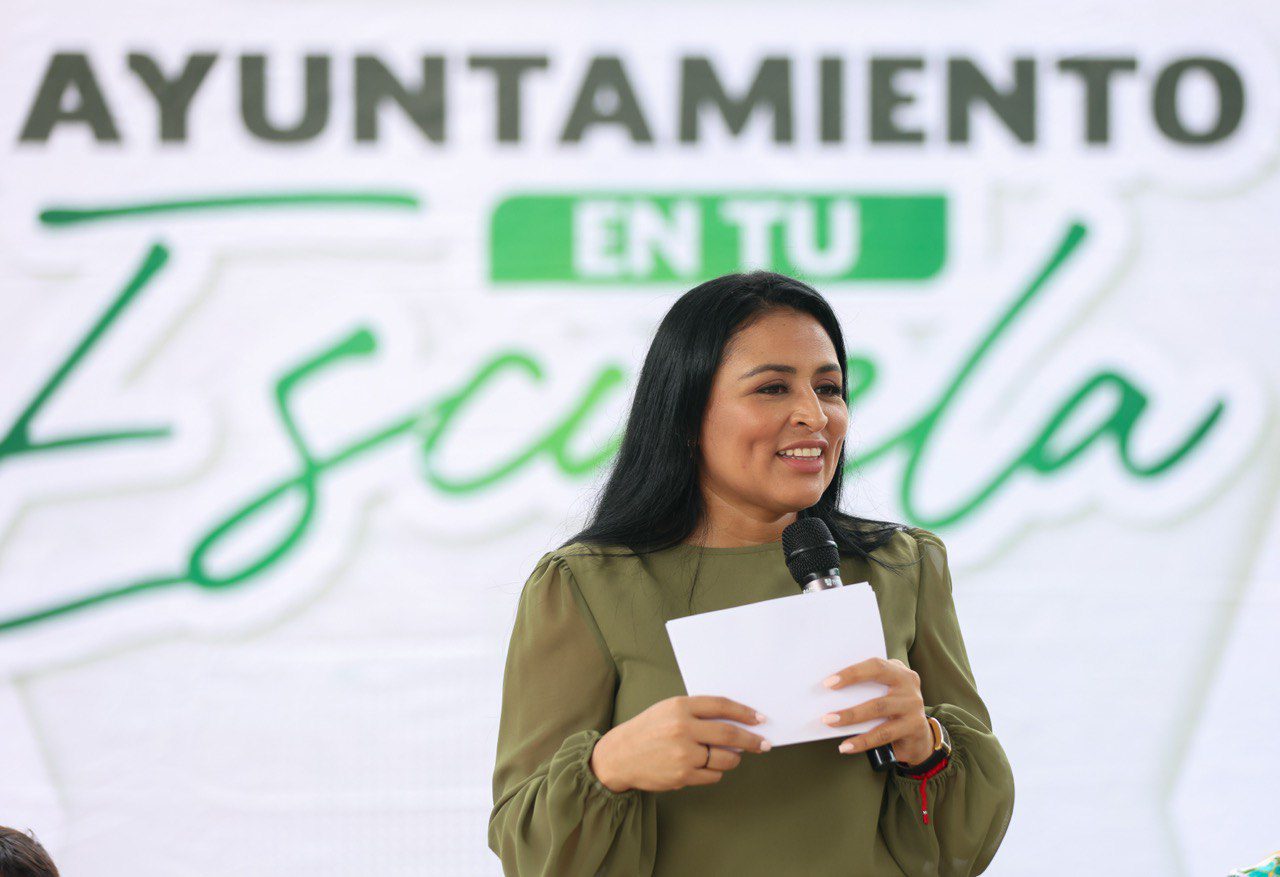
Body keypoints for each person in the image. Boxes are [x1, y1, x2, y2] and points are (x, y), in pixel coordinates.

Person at [487, 271, 1015, 875]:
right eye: (772, 389)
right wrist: (612, 764)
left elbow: (963, 847)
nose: (814, 416)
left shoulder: (902, 567)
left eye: (830, 388)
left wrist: (924, 746)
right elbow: (526, 850)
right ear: (687, 416)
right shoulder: (585, 585)